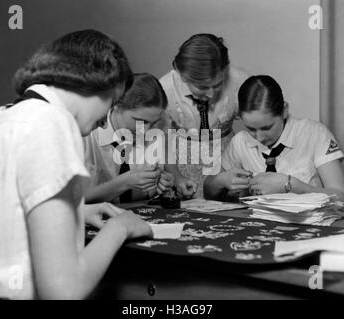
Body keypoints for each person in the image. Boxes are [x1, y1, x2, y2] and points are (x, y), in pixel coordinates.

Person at [0, 29, 152, 300]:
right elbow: (65, 290)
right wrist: (121, 227)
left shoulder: (7, 118)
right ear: (99, 82)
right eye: (111, 103)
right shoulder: (52, 122)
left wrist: (77, 211)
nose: (102, 120)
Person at [204, 75, 344, 201]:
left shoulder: (314, 134)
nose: (259, 137)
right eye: (251, 129)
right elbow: (208, 191)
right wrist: (220, 181)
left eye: (266, 128)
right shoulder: (240, 142)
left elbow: (340, 197)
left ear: (284, 111)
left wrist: (292, 185)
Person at [160, 33, 249, 198]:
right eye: (202, 87)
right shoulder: (165, 89)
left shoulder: (240, 81)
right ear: (184, 77)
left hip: (225, 158)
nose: (210, 94)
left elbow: (254, 129)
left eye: (217, 85)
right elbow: (161, 142)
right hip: (180, 161)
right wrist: (177, 178)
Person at [84, 73, 175, 204]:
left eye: (153, 123)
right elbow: (73, 202)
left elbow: (145, 197)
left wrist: (159, 186)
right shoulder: (87, 134)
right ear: (116, 106)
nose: (145, 130)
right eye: (140, 121)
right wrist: (124, 183)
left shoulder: (155, 136)